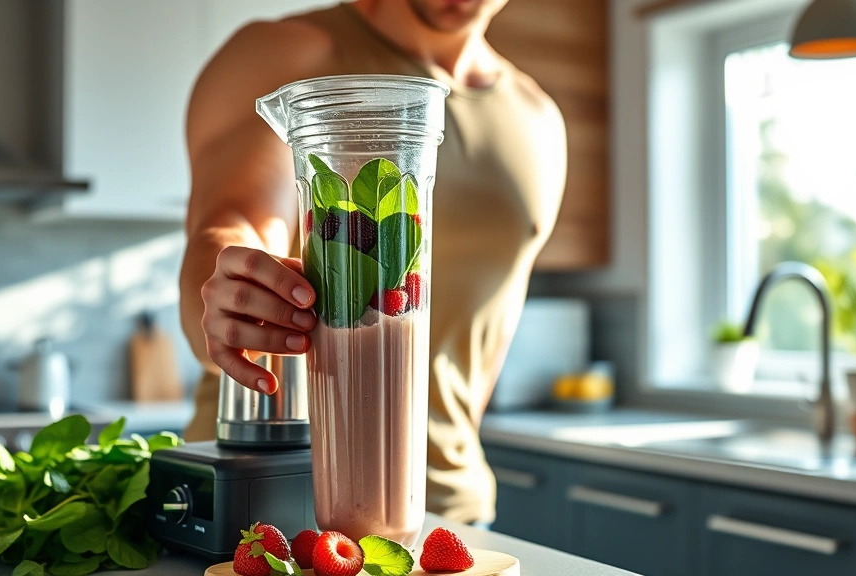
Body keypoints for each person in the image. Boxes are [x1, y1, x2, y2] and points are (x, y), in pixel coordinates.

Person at [179, 0, 566, 526]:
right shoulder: (289, 49)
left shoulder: (538, 118)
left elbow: (486, 333)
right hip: (269, 495)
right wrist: (234, 289)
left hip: (446, 504)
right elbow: (235, 221)